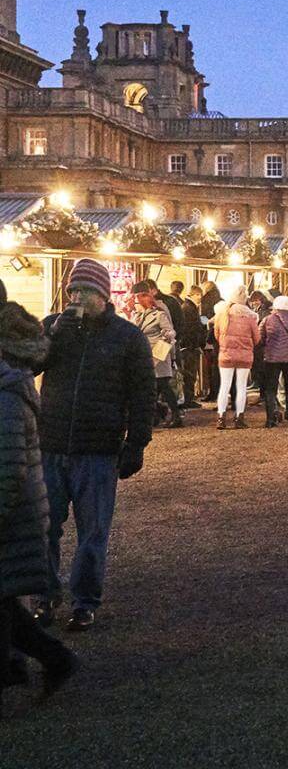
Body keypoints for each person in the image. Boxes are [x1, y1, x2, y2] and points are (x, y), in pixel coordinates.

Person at [35, 259, 155, 632]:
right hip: (51, 444)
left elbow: (142, 394)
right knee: (44, 526)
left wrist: (136, 443)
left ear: (103, 294)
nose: (76, 297)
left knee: (92, 531)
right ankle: (45, 595)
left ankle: (84, 601)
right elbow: (29, 366)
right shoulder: (55, 327)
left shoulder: (127, 336)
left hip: (98, 449)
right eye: (72, 290)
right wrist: (53, 334)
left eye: (84, 291)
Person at [0, 296, 79, 714]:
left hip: (10, 513)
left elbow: (9, 461)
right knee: (5, 602)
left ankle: (41, 661)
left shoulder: (8, 389)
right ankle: (52, 659)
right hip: (16, 506)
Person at [131, 281, 182, 430]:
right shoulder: (138, 315)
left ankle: (175, 415)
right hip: (145, 357)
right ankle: (158, 414)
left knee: (163, 386)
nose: (138, 301)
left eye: (140, 297)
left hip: (158, 357)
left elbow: (170, 333)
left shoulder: (159, 314)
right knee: (153, 388)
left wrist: (163, 352)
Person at [213, 286, 260, 430]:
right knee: (241, 387)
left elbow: (216, 334)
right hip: (245, 356)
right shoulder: (251, 316)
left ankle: (221, 417)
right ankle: (239, 417)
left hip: (226, 355)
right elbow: (257, 338)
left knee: (224, 386)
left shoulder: (222, 314)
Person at [260, 295, 288, 426]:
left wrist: (267, 347)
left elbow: (260, 337)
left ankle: (270, 419)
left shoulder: (267, 320)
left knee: (271, 388)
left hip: (272, 358)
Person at [176, 285, 205, 409]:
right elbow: (190, 330)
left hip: (189, 346)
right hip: (189, 347)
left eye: (200, 295)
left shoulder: (188, 307)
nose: (199, 297)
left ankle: (189, 398)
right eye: (197, 295)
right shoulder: (188, 308)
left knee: (190, 373)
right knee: (189, 373)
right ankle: (188, 399)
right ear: (191, 294)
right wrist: (195, 345)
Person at [200, 279, 222, 401]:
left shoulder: (205, 300)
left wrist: (205, 323)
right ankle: (218, 392)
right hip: (219, 339)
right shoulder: (221, 300)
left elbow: (203, 317)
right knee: (217, 368)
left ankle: (213, 392)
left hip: (208, 337)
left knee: (211, 367)